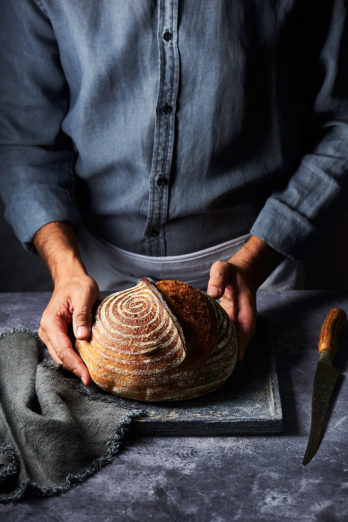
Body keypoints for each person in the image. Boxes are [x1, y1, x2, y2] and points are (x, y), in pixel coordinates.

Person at [0, 1, 347, 386]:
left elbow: (343, 125)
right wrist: (65, 268)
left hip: (259, 267)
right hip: (89, 268)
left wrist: (255, 261)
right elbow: (23, 140)